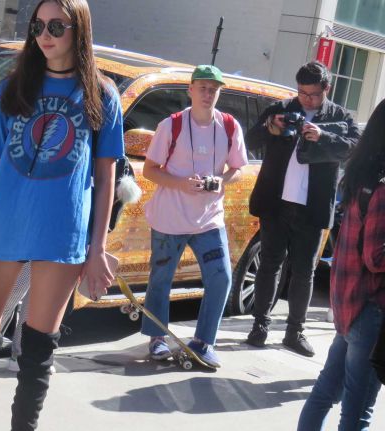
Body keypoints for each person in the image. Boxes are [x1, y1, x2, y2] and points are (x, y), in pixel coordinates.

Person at [0, 0, 124, 429]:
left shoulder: (101, 94)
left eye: (56, 26)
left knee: (36, 350)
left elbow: (105, 179)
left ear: (78, 29)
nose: (44, 35)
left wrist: (98, 247)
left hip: (60, 230)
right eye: (37, 26)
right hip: (4, 226)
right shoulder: (12, 87)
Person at [245, 61, 360, 357]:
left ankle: (294, 331)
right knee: (269, 264)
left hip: (312, 206)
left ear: (326, 89)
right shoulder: (281, 108)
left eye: (312, 94)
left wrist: (322, 136)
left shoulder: (340, 116)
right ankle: (259, 325)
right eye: (302, 93)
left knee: (304, 272)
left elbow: (353, 149)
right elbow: (250, 140)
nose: (306, 99)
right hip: (276, 202)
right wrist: (272, 127)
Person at [140, 65, 248, 368]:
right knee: (161, 278)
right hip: (169, 219)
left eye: (213, 89)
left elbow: (239, 168)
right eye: (202, 87)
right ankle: (157, 338)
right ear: (190, 90)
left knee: (221, 277)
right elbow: (150, 170)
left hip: (208, 220)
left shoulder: (228, 125)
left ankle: (203, 341)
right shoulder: (171, 125)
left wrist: (221, 182)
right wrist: (182, 184)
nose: (208, 94)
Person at [296, 98, 385, 431]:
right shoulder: (382, 186)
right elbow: (376, 258)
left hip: (349, 304)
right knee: (357, 413)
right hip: (370, 309)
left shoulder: (361, 175)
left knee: (324, 394)